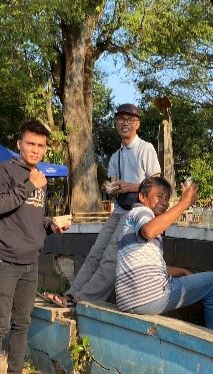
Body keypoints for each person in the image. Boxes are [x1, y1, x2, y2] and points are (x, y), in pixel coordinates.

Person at [0, 121, 70, 374]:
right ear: (19, 144)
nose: (36, 150)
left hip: (30, 261)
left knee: (22, 322)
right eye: (31, 143)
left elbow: (30, 220)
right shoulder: (2, 172)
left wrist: (51, 224)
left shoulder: (40, 177)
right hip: (3, 259)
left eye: (41, 145)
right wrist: (29, 185)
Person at [43, 103, 161, 307]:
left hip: (137, 212)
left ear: (137, 124)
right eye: (121, 119)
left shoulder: (145, 148)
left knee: (110, 258)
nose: (125, 123)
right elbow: (114, 185)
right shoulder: (116, 156)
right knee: (94, 254)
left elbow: (156, 183)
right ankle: (71, 294)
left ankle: (80, 300)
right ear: (116, 123)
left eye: (130, 120)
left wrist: (131, 186)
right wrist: (111, 187)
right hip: (119, 209)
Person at [115, 177, 213, 332]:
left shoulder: (130, 220)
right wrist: (184, 203)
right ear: (142, 197)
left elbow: (149, 268)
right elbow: (148, 231)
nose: (164, 202)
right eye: (159, 196)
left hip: (127, 301)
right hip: (149, 298)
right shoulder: (142, 212)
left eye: (167, 198)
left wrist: (181, 271)